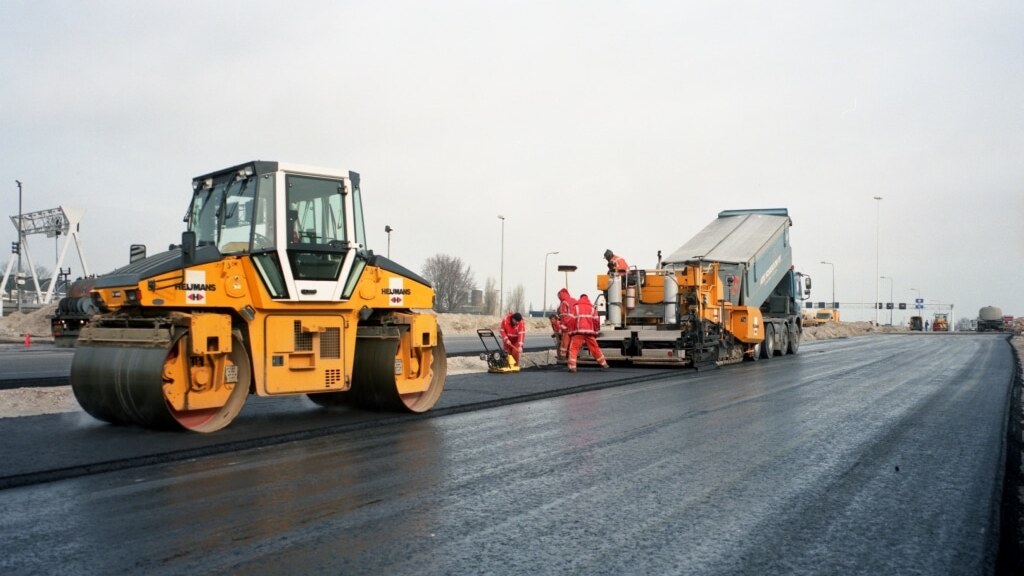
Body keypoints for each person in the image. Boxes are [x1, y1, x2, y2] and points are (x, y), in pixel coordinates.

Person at [566, 293, 609, 372]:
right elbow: (596, 321)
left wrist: (570, 330)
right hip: (589, 333)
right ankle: (604, 363)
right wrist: (595, 331)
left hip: (578, 332)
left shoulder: (576, 307)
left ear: (580, 298)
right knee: (595, 348)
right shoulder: (592, 308)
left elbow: (570, 320)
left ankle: (572, 367)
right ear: (587, 299)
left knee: (574, 348)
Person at [554, 288, 576, 360]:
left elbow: (564, 317)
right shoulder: (574, 300)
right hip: (576, 325)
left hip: (568, 326)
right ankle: (573, 356)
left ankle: (563, 357)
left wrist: (562, 328)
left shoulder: (564, 303)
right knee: (574, 343)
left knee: (564, 342)